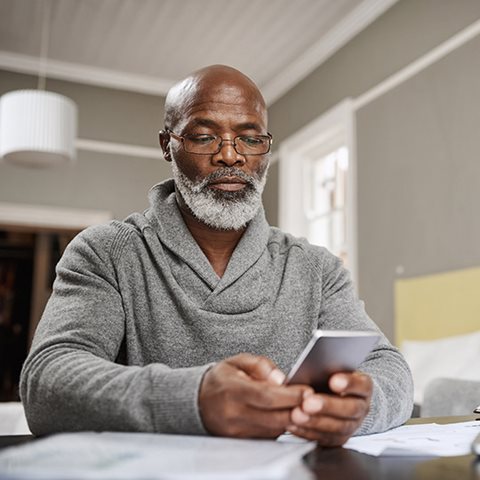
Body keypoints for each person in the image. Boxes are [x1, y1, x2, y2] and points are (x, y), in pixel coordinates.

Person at [20, 65, 413, 445]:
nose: (230, 155)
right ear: (167, 146)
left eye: (250, 138)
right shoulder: (107, 252)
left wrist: (363, 405)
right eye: (204, 136)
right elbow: (47, 381)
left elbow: (390, 368)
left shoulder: (317, 268)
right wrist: (192, 399)